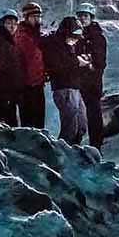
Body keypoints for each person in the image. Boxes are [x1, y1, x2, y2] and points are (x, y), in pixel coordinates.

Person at [42, 15, 93, 144]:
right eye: (74, 36)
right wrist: (77, 62)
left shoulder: (67, 44)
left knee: (81, 126)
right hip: (63, 88)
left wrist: (83, 63)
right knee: (70, 127)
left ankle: (73, 151)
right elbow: (58, 65)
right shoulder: (54, 45)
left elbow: (69, 64)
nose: (76, 40)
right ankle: (62, 154)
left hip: (74, 87)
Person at [75, 2, 109, 148]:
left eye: (85, 16)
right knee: (82, 111)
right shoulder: (77, 35)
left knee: (93, 111)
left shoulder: (97, 36)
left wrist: (91, 67)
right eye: (80, 16)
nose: (82, 19)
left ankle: (96, 143)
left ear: (91, 17)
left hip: (92, 80)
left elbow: (100, 61)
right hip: (80, 80)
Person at [0, 9, 25, 126]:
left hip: (14, 87)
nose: (12, 26)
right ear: (2, 24)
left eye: (14, 24)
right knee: (8, 120)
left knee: (12, 120)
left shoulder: (11, 40)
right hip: (3, 87)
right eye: (8, 23)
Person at [14, 1, 47, 129]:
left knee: (39, 120)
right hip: (25, 86)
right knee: (28, 121)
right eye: (34, 16)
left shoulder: (36, 34)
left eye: (39, 16)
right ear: (27, 17)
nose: (37, 19)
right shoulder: (21, 35)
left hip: (37, 83)